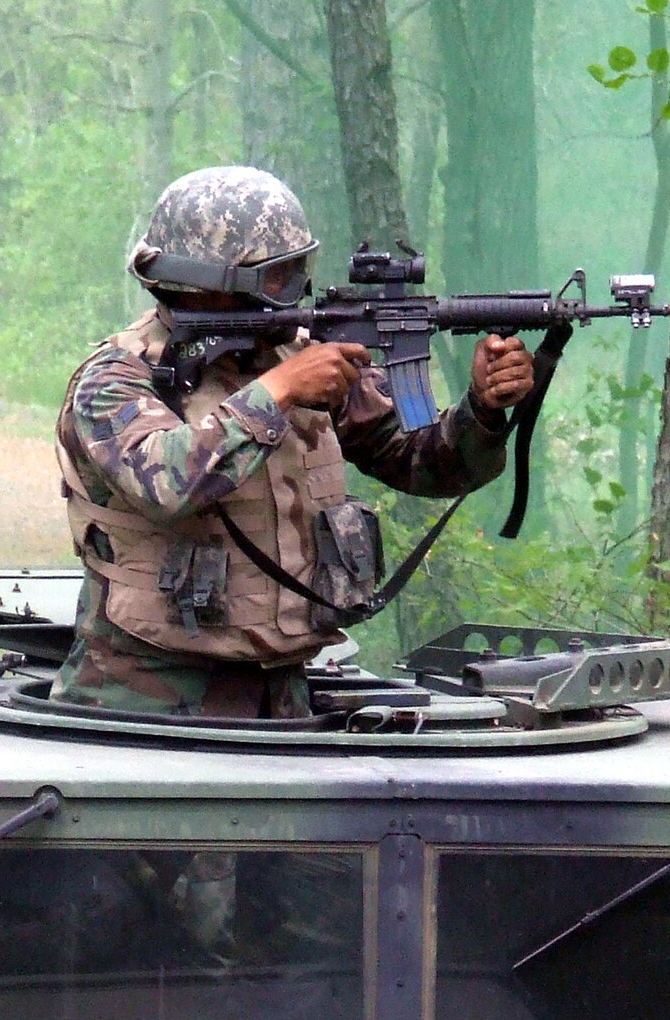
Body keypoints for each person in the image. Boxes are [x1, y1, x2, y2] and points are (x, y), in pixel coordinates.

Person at [55, 165, 537, 717]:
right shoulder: (116, 380)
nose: (295, 293)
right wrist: (278, 392)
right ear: (208, 286)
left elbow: (418, 463)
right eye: (276, 279)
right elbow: (167, 483)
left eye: (297, 270)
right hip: (139, 700)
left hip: (282, 696)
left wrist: (482, 408)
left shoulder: (297, 357)